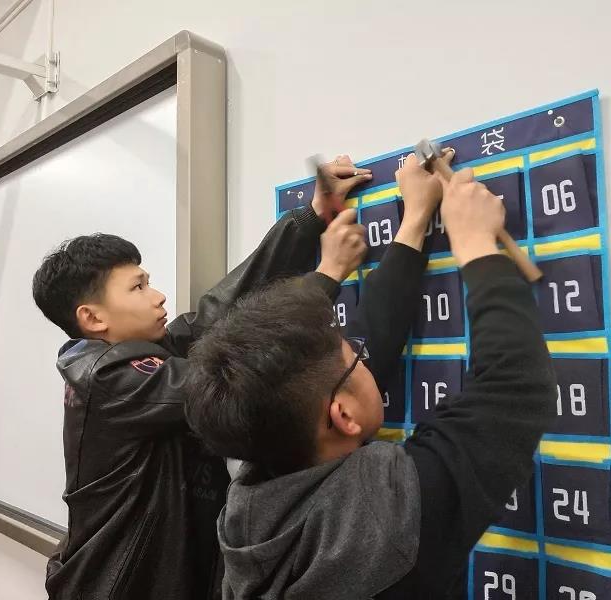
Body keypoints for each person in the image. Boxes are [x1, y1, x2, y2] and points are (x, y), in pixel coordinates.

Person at [184, 159, 557, 599]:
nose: (364, 357)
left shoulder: (249, 503)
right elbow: (515, 382)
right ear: (342, 415)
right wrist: (475, 243)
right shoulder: (384, 518)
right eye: (355, 358)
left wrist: (414, 220)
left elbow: (356, 354)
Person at [31, 156, 372, 599]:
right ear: (93, 318)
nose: (158, 296)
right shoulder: (109, 378)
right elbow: (234, 377)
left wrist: (308, 218)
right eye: (138, 287)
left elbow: (221, 307)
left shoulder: (149, 355)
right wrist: (326, 276)